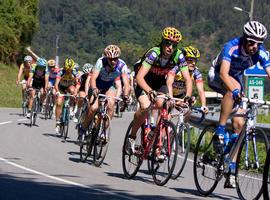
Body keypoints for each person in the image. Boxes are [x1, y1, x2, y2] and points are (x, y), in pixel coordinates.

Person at [208, 20, 270, 188]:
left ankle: (230, 169)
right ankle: (219, 131)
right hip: (218, 76)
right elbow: (223, 73)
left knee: (239, 124)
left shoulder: (261, 53)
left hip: (236, 78)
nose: (254, 47)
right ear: (244, 38)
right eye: (251, 42)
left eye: (258, 43)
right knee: (233, 90)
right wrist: (235, 91)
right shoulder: (231, 46)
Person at [128, 27, 193, 159]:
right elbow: (139, 77)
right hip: (144, 80)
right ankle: (132, 136)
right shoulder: (154, 53)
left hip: (159, 81)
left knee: (165, 104)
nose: (170, 47)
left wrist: (188, 95)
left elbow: (188, 79)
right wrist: (149, 91)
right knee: (146, 106)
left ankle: (155, 134)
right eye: (168, 43)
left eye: (174, 45)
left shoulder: (178, 55)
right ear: (162, 42)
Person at [78, 45, 129, 141]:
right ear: (106, 58)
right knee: (93, 108)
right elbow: (93, 78)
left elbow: (126, 83)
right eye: (110, 59)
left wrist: (126, 96)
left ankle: (103, 131)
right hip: (97, 84)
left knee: (111, 104)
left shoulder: (122, 65)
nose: (113, 61)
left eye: (115, 59)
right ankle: (83, 128)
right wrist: (93, 88)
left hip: (109, 86)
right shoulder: (100, 62)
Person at [171, 46, 208, 113]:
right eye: (190, 60)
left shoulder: (196, 72)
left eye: (195, 60)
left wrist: (204, 105)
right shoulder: (176, 68)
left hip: (181, 95)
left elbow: (201, 91)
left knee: (188, 111)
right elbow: (167, 82)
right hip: (169, 92)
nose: (193, 63)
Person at [54, 58, 80, 134]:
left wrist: (75, 92)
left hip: (69, 86)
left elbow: (78, 83)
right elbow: (56, 84)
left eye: (70, 69)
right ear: (64, 67)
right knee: (59, 103)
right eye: (67, 69)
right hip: (61, 87)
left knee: (73, 91)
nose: (69, 71)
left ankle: (71, 109)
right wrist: (58, 92)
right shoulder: (61, 72)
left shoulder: (74, 72)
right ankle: (58, 122)